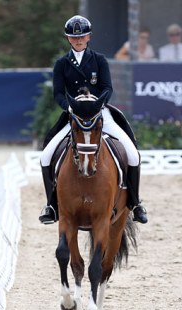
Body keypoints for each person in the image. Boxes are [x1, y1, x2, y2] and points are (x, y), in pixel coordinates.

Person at [38, 15, 148, 225]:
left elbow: (108, 87)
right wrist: (70, 107)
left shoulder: (99, 60)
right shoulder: (62, 64)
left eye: (81, 36)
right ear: (68, 39)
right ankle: (52, 206)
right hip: (74, 116)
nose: (78, 40)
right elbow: (58, 93)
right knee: (46, 156)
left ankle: (135, 203)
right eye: (73, 37)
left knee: (133, 154)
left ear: (88, 37)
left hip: (100, 115)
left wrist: (96, 104)